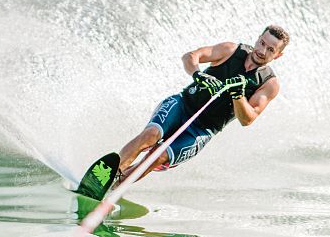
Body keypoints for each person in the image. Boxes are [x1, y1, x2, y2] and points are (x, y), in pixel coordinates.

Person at [113, 24, 289, 187]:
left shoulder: (269, 84)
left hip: (202, 130)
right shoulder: (230, 50)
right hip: (181, 105)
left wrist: (238, 95)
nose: (262, 50)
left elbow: (247, 119)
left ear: (278, 55)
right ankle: (109, 176)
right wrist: (198, 74)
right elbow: (190, 56)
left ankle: (112, 190)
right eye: (262, 43)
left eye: (270, 49)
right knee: (150, 135)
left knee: (158, 156)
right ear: (258, 38)